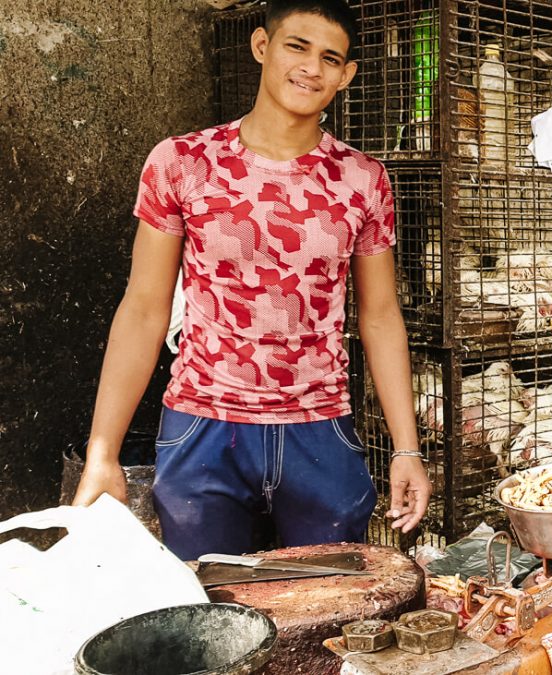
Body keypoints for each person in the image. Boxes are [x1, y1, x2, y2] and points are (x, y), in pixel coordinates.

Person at [72, 0, 431, 561]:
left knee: (332, 607)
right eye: (297, 46)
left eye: (330, 58)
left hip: (320, 424)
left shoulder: (363, 180)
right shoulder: (182, 162)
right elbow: (143, 308)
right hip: (203, 425)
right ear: (262, 47)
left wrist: (406, 448)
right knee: (213, 616)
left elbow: (380, 316)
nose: (312, 67)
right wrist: (103, 451)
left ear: (346, 75)